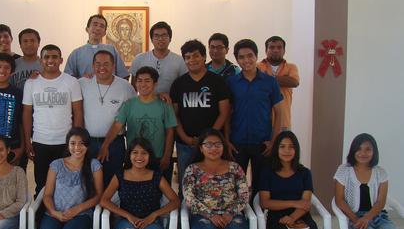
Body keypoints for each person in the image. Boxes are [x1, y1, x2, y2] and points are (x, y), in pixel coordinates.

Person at [170, 39, 230, 199]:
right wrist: (184, 137)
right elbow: (174, 114)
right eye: (187, 57)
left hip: (212, 146)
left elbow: (224, 112)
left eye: (195, 56)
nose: (192, 60)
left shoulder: (218, 82)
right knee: (186, 185)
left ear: (204, 57)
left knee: (212, 185)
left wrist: (208, 140)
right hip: (186, 144)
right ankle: (185, 221)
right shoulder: (178, 84)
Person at [22, 44, 83, 197]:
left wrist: (76, 140)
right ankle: (42, 216)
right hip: (40, 141)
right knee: (42, 183)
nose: (51, 60)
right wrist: (27, 140)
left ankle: (64, 216)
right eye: (47, 57)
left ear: (61, 60)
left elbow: (78, 111)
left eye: (54, 57)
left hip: (65, 141)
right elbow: (27, 113)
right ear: (41, 61)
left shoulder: (71, 81)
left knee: (66, 183)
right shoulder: (31, 83)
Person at [98, 66, 176, 184]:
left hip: (157, 157)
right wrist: (105, 145)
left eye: (147, 81)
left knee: (160, 193)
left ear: (155, 84)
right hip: (134, 157)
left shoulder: (164, 105)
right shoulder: (129, 105)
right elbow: (117, 125)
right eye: (139, 80)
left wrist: (167, 155)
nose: (143, 84)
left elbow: (170, 131)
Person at [226, 39, 283, 197]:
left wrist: (274, 140)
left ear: (257, 56)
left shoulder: (270, 82)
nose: (246, 60)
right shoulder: (231, 83)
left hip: (263, 143)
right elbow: (226, 113)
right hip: (237, 142)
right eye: (242, 57)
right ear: (237, 59)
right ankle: (240, 218)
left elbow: (279, 113)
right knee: (235, 185)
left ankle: (258, 220)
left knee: (261, 186)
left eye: (250, 56)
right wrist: (227, 139)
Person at [80, 50, 136, 186]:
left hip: (114, 144)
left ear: (113, 66)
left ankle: (110, 207)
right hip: (88, 142)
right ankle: (93, 208)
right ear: (93, 66)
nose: (101, 68)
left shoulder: (125, 87)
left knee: (113, 181)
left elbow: (136, 111)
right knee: (89, 181)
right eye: (98, 64)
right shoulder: (82, 83)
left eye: (106, 64)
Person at [9, 28, 42, 172]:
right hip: (17, 117)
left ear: (38, 43)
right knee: (18, 161)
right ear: (20, 44)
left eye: (32, 41)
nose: (29, 44)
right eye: (25, 41)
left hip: (40, 116)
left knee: (41, 160)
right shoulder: (13, 64)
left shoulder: (45, 64)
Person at [130, 21, 187, 95]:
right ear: (151, 39)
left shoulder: (179, 60)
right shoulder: (139, 59)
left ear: (170, 39)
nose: (160, 39)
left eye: (164, 35)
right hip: (145, 104)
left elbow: (184, 85)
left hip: (170, 104)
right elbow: (133, 87)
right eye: (156, 36)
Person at [64, 14, 129, 79]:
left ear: (104, 33)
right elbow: (68, 78)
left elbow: (123, 75)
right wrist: (81, 79)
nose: (98, 28)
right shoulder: (76, 53)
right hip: (85, 88)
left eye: (102, 26)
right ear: (87, 29)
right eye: (95, 25)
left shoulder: (111, 50)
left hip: (110, 88)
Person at [257, 36, 299, 130]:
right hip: (261, 120)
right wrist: (283, 79)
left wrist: (265, 78)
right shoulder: (257, 66)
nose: (275, 50)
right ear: (266, 50)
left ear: (284, 51)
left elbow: (294, 82)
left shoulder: (291, 67)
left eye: (279, 47)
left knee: (284, 145)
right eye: (271, 47)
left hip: (283, 121)